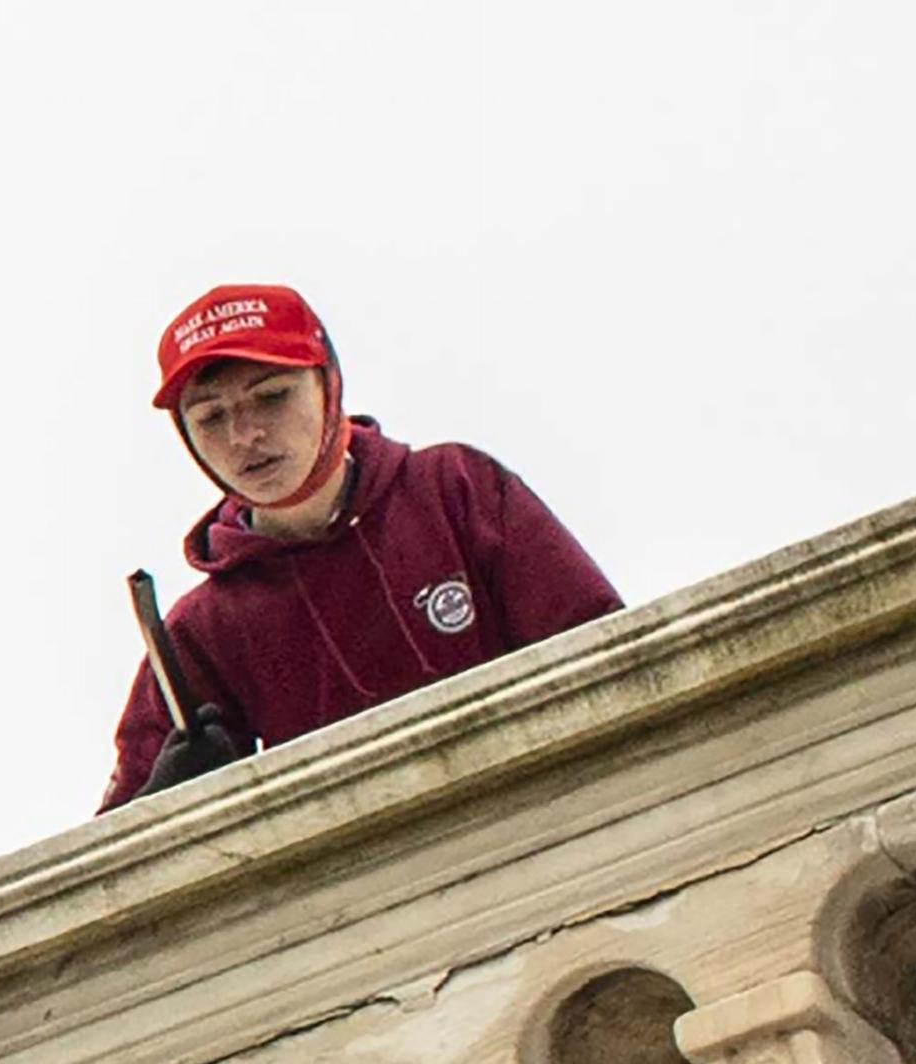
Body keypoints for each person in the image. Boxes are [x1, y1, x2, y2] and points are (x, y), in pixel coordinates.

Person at [97, 284, 622, 813]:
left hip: (547, 823)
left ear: (329, 385)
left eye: (272, 396)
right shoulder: (202, 631)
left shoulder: (455, 490)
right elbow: (108, 855)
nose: (244, 435)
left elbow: (606, 655)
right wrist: (164, 801)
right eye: (210, 417)